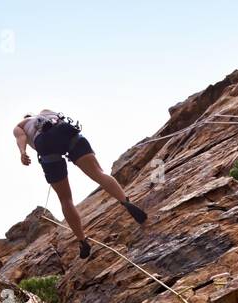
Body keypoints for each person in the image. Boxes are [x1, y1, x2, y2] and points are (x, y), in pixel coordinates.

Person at [14, 110, 147, 260]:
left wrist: (23, 152)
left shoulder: (20, 126)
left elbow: (21, 137)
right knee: (98, 173)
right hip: (65, 131)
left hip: (45, 145)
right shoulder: (45, 111)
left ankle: (82, 240)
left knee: (65, 199)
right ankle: (125, 201)